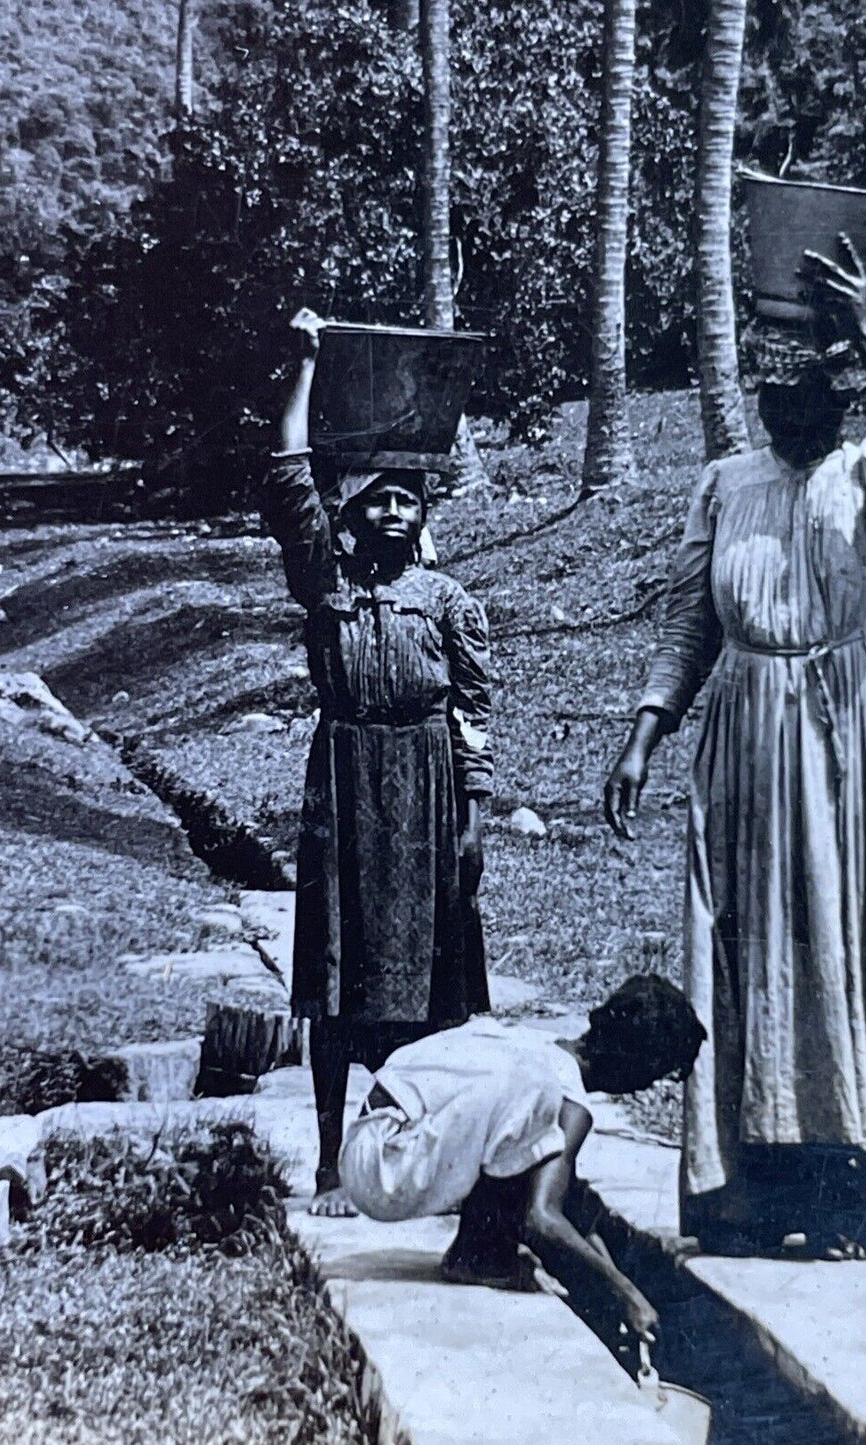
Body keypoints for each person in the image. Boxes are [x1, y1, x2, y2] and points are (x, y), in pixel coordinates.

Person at [604, 236, 866, 1258]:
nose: (784, 408)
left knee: (845, 933)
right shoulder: (723, 484)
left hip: (842, 721)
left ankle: (856, 1179)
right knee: (750, 942)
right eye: (770, 391)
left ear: (840, 399)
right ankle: (753, 1180)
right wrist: (644, 733)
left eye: (806, 392)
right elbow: (688, 622)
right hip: (742, 740)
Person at [264, 307, 492, 1218]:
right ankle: (329, 1165)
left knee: (431, 985)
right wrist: (309, 363)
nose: (394, 511)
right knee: (333, 974)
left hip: (430, 782)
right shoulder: (327, 582)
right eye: (378, 499)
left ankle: (422, 1164)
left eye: (409, 499)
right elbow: (288, 480)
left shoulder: (447, 601)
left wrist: (473, 809)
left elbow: (473, 710)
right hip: (347, 777)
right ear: (353, 513)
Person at [340, 973, 705, 1346]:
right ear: (635, 1066)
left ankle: (483, 1253)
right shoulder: (567, 1102)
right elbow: (542, 1217)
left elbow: (566, 1195)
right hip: (388, 1175)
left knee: (538, 1153)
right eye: (654, 1076)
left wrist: (605, 1270)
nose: (644, 1089)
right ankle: (475, 1257)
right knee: (531, 1145)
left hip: (367, 1143)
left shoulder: (534, 1043)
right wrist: (625, 1294)